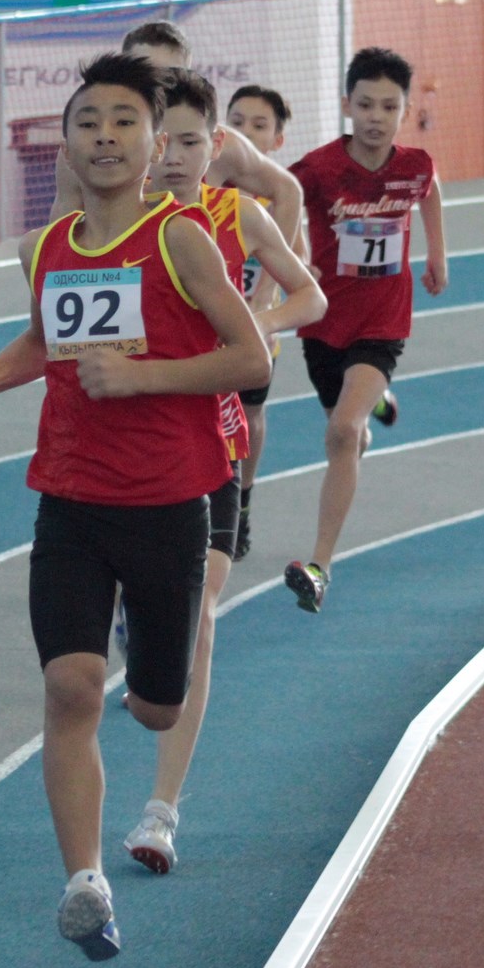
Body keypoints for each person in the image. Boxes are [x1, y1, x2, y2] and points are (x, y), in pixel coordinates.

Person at [0, 53, 270, 961]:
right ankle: (84, 882)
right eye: (88, 122)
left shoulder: (181, 239)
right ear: (67, 145)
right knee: (70, 688)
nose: (105, 137)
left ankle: (150, 652)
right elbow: (44, 339)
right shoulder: (46, 248)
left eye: (124, 122)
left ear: (156, 145)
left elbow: (251, 359)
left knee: (156, 709)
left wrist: (141, 377)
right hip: (71, 500)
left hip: (166, 504)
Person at [119, 68, 326, 875]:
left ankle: (160, 812)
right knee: (144, 637)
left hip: (215, 440)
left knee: (201, 615)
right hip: (127, 448)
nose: (174, 156)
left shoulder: (237, 215)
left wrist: (259, 322)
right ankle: (137, 624)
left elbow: (309, 297)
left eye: (190, 141)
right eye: (162, 141)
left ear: (217, 147)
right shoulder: (118, 222)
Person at [282, 46, 448, 613]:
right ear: (346, 105)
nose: (377, 117)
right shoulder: (319, 168)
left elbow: (430, 190)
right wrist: (296, 257)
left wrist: (437, 254)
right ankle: (373, 404)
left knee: (342, 433)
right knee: (347, 427)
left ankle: (319, 566)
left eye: (389, 107)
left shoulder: (414, 165)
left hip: (383, 320)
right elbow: (280, 203)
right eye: (367, 104)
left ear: (405, 112)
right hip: (324, 321)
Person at [50, 20, 304, 249]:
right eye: (144, 76)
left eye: (168, 77)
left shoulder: (222, 144)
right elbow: (58, 241)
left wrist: (269, 282)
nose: (157, 88)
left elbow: (289, 191)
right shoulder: (89, 148)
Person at [225, 83, 298, 561]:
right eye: (237, 122)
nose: (246, 133)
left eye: (259, 125)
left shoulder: (280, 201)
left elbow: (300, 263)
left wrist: (268, 296)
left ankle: (242, 503)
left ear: (276, 140)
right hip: (204, 328)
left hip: (257, 327)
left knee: (249, 414)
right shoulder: (207, 189)